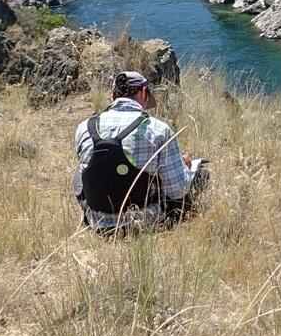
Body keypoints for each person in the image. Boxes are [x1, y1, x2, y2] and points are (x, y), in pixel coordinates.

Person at [73, 70, 207, 233]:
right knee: (200, 173)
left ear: (113, 96)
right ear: (144, 92)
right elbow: (177, 190)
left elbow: (82, 179)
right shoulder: (158, 130)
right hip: (144, 220)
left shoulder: (84, 127)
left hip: (96, 221)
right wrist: (185, 167)